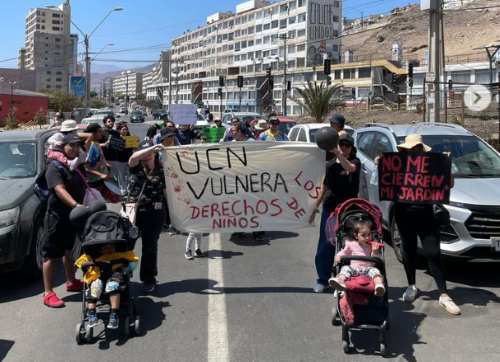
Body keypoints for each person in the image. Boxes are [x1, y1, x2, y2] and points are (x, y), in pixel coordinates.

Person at [393, 134, 460, 315]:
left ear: (422, 149)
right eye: (411, 148)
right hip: (403, 214)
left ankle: (444, 294)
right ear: (405, 150)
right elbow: (382, 183)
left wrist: (446, 167)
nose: (415, 151)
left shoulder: (432, 165)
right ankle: (411, 285)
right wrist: (380, 165)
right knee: (408, 249)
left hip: (427, 214)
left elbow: (449, 184)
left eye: (418, 148)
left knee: (433, 252)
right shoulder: (397, 165)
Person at [309, 133, 361, 293]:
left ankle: (347, 279)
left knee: (348, 246)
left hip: (348, 212)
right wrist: (314, 208)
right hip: (329, 210)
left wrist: (338, 154)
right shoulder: (330, 165)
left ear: (351, 149)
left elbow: (350, 169)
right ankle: (322, 280)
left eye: (347, 145)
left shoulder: (354, 162)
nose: (343, 147)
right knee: (325, 246)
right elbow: (324, 189)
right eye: (341, 144)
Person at [40, 134, 88, 308]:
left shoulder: (77, 164)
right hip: (57, 216)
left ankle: (71, 281)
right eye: (71, 146)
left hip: (72, 216)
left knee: (68, 251)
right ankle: (48, 293)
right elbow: (59, 190)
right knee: (50, 255)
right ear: (62, 146)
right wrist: (76, 205)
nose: (75, 149)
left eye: (78, 146)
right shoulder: (54, 167)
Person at [128, 140, 166, 293]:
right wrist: (151, 148)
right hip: (134, 214)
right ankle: (122, 276)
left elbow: (166, 192)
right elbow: (133, 158)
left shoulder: (161, 170)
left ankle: (148, 278)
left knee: (150, 247)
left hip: (154, 214)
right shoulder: (136, 167)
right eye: (144, 153)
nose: (146, 157)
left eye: (149, 154)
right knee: (127, 245)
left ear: (155, 154)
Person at [75, 242, 139, 329]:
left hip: (114, 276)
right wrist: (84, 264)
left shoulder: (119, 255)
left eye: (112, 247)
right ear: (100, 250)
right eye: (106, 248)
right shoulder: (94, 257)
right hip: (99, 277)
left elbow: (131, 257)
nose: (109, 250)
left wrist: (129, 264)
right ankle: (92, 314)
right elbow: (81, 260)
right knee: (94, 289)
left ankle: (114, 314)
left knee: (113, 286)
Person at [328, 220, 385, 297]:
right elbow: (344, 252)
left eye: (369, 234)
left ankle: (379, 285)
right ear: (356, 236)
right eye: (363, 235)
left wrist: (375, 252)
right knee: (345, 268)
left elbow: (376, 260)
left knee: (376, 272)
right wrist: (338, 256)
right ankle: (340, 281)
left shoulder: (373, 245)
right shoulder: (351, 244)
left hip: (368, 269)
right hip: (354, 268)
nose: (367, 237)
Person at [116, 122, 133, 194]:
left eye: (126, 129)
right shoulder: (117, 138)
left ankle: (129, 189)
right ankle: (123, 190)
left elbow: (134, 147)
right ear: (120, 130)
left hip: (129, 159)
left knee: (130, 175)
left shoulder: (130, 137)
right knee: (121, 176)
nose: (125, 131)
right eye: (123, 129)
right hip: (120, 159)